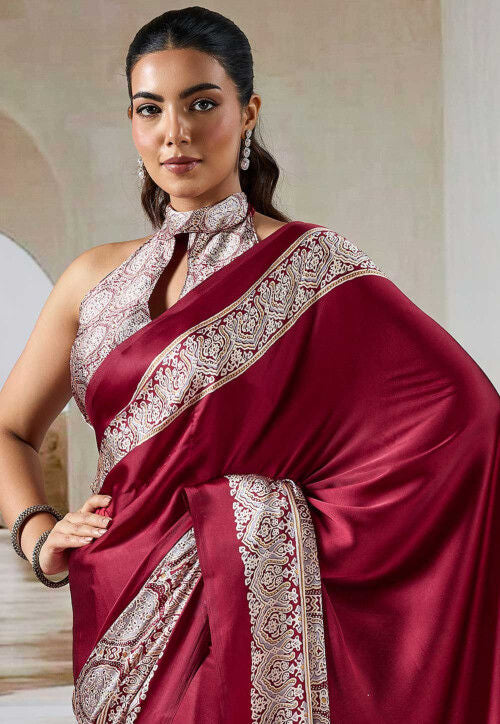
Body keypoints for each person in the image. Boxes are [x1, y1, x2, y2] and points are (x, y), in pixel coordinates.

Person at [0, 6, 498, 723]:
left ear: (248, 112)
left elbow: (467, 420)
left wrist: (259, 523)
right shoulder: (90, 280)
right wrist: (38, 534)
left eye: (202, 103)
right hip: (117, 594)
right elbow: (10, 429)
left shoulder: (311, 267)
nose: (175, 132)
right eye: (150, 109)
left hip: (237, 604)